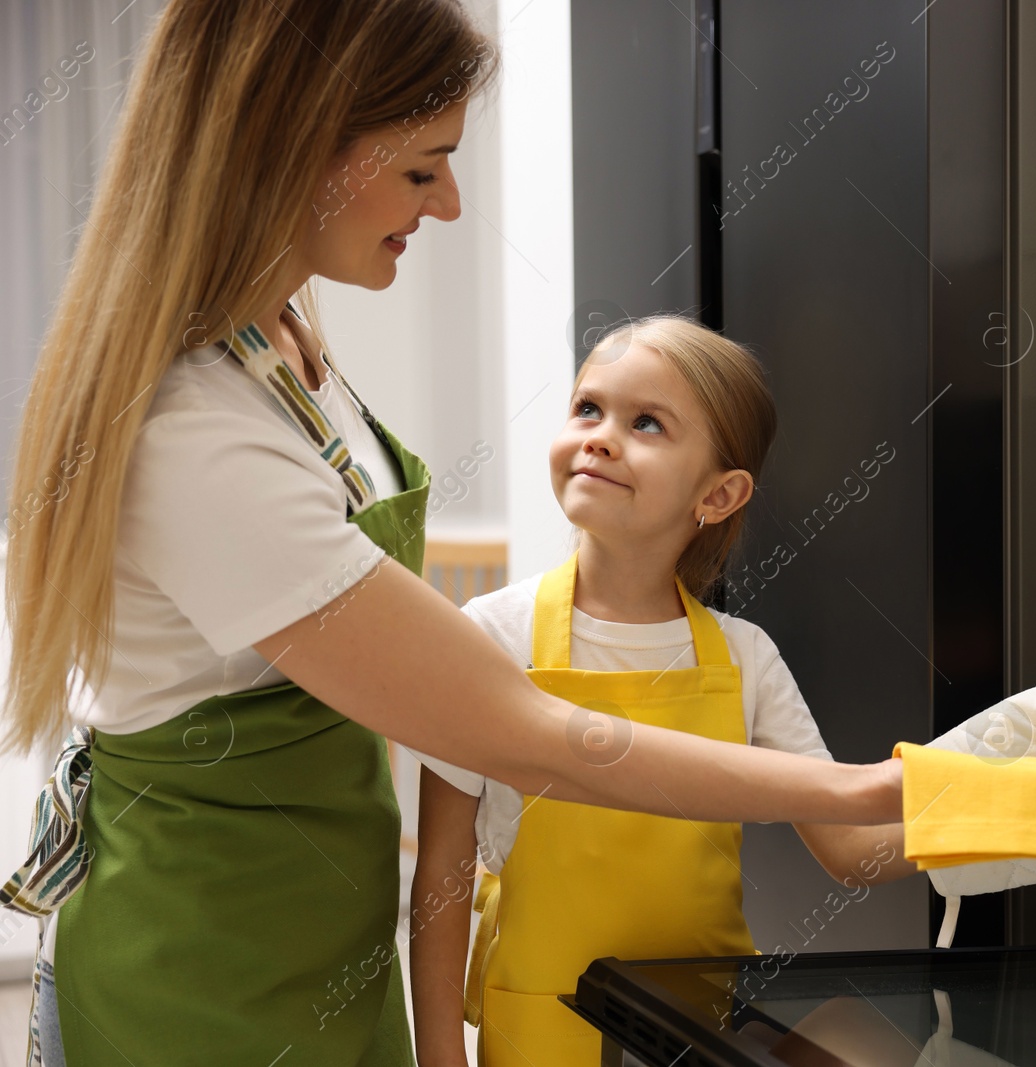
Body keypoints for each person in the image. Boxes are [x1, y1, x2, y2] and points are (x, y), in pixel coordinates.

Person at [0, 4, 901, 1065]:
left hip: (310, 948)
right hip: (201, 982)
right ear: (294, 143)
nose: (453, 201)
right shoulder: (195, 437)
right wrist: (876, 785)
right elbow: (526, 735)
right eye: (425, 168)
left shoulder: (285, 341)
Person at [407, 317, 918, 1066]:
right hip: (545, 1040)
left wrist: (1000, 808)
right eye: (588, 408)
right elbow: (441, 879)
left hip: (700, 1038)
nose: (602, 436)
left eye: (646, 422)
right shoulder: (491, 636)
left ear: (719, 493)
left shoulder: (746, 659)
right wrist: (443, 1059)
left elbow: (851, 847)